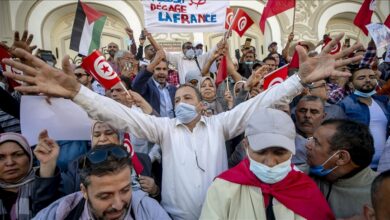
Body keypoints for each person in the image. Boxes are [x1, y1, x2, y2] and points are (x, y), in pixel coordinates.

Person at [2, 32, 362, 220]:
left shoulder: (221, 125)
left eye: (188, 99)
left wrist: (299, 80)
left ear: (203, 105)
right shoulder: (163, 130)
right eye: (177, 100)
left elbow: (258, 103)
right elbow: (118, 115)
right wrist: (77, 92)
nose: (181, 104)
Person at [200, 108, 334, 220]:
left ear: (292, 149)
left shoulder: (306, 189)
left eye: (280, 153)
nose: (270, 162)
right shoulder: (223, 187)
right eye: (261, 152)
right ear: (246, 145)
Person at [33, 144, 171, 220]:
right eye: (105, 196)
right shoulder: (62, 212)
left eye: (125, 190)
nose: (118, 205)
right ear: (84, 191)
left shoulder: (147, 210)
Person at [61, 121, 157, 197]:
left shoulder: (143, 160)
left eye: (109, 133)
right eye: (97, 135)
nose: (102, 139)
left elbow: (158, 200)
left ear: (120, 138)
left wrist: (155, 190)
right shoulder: (76, 166)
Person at [306, 119, 377, 218]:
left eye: (316, 142)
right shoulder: (301, 175)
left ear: (341, 157)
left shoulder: (380, 193)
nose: (308, 145)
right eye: (311, 139)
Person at [0, 132, 62, 219]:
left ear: (29, 156)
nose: (10, 163)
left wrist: (47, 165)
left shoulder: (50, 181)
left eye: (18, 155)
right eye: (1, 157)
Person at [339, 67, 390, 169]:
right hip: (359, 168)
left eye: (371, 77)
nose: (368, 80)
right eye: (361, 77)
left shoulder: (383, 102)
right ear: (351, 84)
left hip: (384, 166)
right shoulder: (345, 105)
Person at [132, 50, 176, 118]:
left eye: (164, 69)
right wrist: (154, 62)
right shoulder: (147, 87)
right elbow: (136, 85)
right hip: (154, 126)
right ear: (152, 70)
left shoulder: (173, 89)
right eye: (158, 69)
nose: (162, 72)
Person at [293, 96, 326, 167]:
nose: (307, 115)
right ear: (295, 113)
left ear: (323, 116)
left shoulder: (328, 141)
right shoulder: (284, 138)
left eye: (314, 112)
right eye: (302, 111)